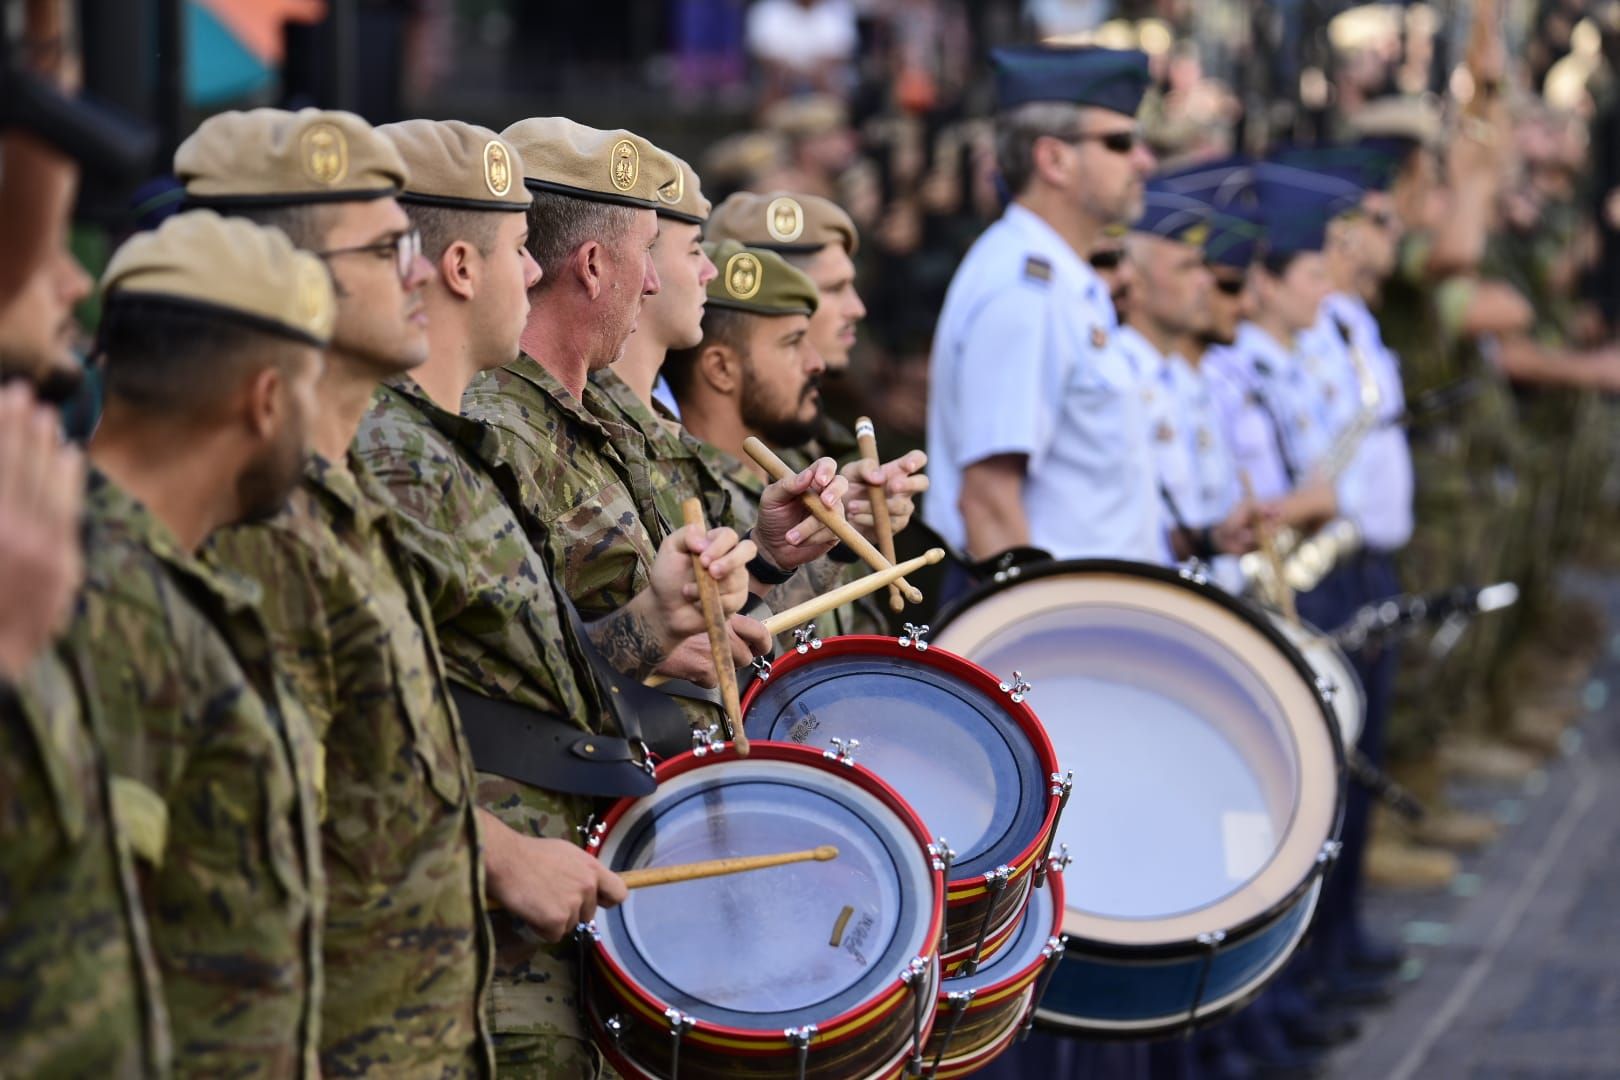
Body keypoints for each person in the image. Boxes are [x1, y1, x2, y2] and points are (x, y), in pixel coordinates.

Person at [358, 119, 756, 1077]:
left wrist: (647, 625)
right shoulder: (394, 453)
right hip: (450, 942)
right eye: (511, 253)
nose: (530, 276)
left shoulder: (449, 444)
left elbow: (537, 668)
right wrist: (493, 855)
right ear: (459, 266)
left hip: (527, 906)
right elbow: (353, 723)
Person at [176, 107, 493, 1075]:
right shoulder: (260, 530)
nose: (418, 272)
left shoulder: (338, 497)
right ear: (293, 289)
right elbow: (248, 888)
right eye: (388, 246)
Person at [70, 210, 332, 1077]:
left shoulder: (138, 575)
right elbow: (86, 959)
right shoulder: (114, 603)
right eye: (310, 391)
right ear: (264, 402)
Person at [463, 117, 851, 683]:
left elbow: (677, 635)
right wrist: (647, 639)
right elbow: (508, 669)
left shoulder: (595, 422)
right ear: (593, 266)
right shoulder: (494, 429)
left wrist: (764, 554)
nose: (651, 282)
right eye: (646, 252)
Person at [924, 44, 1166, 569]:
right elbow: (989, 503)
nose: (1145, 162)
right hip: (1053, 627)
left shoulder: (1061, 282)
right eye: (1121, 142)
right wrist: (1040, 644)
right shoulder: (1023, 289)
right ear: (1054, 159)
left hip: (1089, 615)